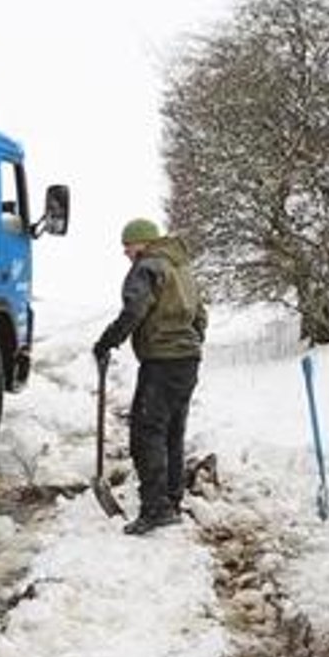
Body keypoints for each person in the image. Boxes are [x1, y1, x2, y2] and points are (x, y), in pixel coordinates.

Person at [93, 218, 207, 535]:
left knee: (147, 433)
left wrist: (106, 342)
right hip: (187, 360)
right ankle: (171, 499)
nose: (126, 252)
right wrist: (190, 342)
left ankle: (156, 509)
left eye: (128, 246)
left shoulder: (147, 267)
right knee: (172, 431)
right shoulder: (181, 267)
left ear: (143, 242)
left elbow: (134, 310)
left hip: (162, 361)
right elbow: (200, 315)